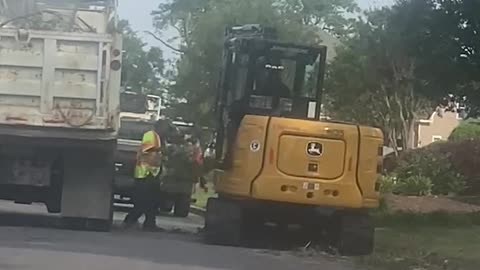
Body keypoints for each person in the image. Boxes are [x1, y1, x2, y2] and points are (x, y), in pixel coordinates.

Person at [123, 120, 166, 231]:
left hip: (152, 174)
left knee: (153, 201)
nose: (166, 131)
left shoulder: (159, 138)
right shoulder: (150, 135)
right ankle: (130, 220)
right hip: (144, 174)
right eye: (165, 128)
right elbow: (148, 149)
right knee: (143, 202)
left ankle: (149, 224)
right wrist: (164, 150)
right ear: (159, 127)